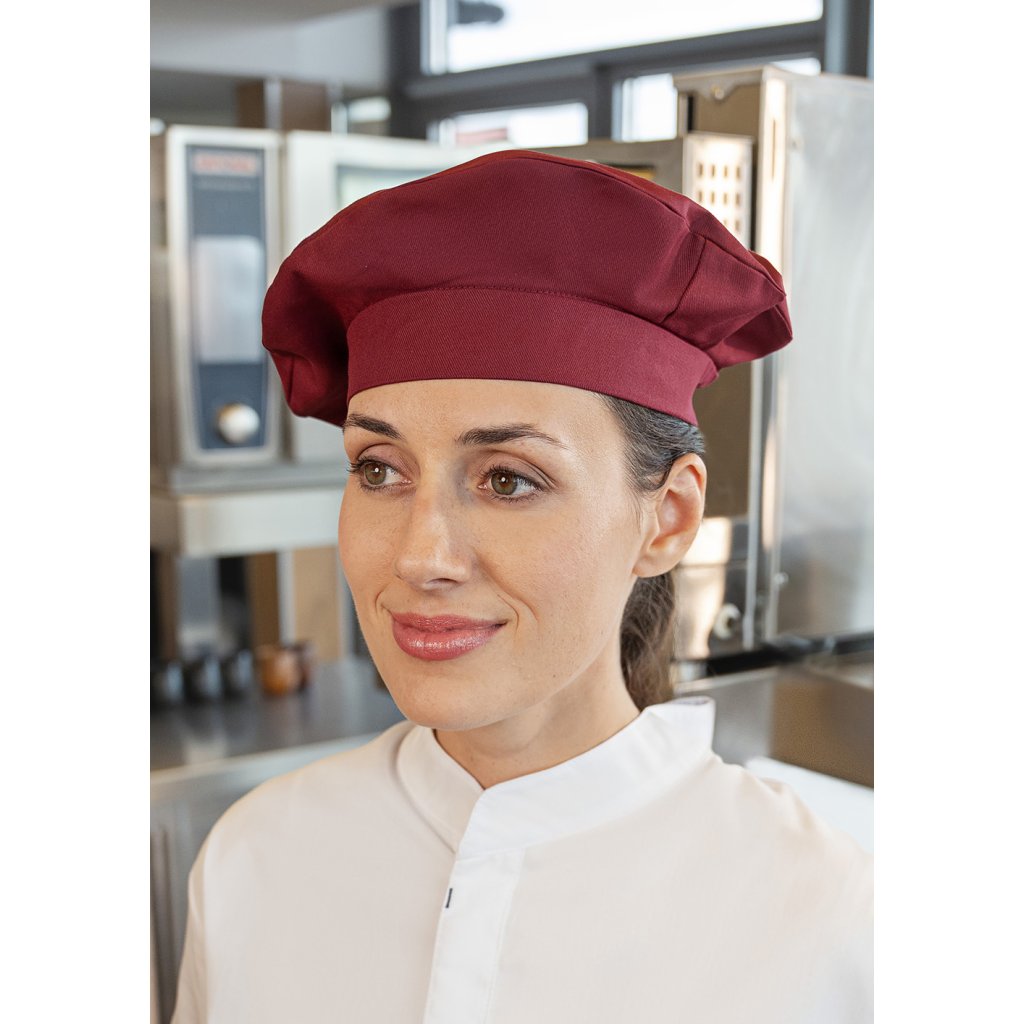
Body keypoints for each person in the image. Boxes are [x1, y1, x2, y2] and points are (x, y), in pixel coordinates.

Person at [170, 150, 872, 1023]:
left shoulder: (829, 924)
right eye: (379, 469)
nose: (421, 556)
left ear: (667, 519)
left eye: (508, 480)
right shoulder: (255, 860)